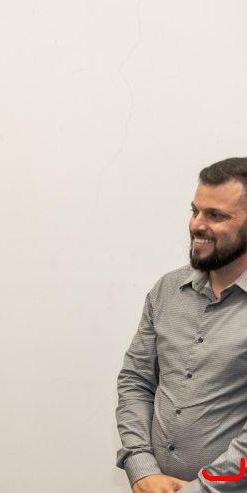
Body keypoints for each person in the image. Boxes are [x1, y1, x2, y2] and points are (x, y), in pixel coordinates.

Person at [116, 157, 247, 493]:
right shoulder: (167, 289)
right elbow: (136, 380)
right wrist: (141, 467)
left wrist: (199, 489)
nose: (197, 225)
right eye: (195, 211)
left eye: (215, 215)